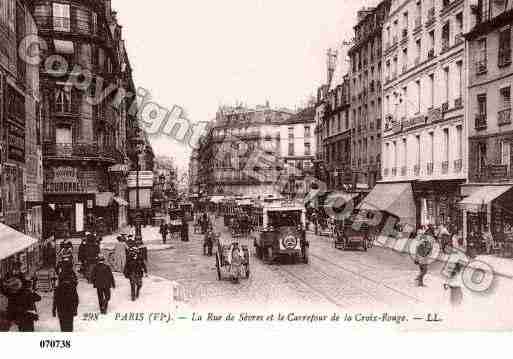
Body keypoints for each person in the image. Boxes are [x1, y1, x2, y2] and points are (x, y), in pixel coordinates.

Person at [0, 265, 41, 332]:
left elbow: (4, 290)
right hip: (26, 317)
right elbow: (38, 298)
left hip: (18, 318)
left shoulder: (12, 293)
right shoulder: (26, 292)